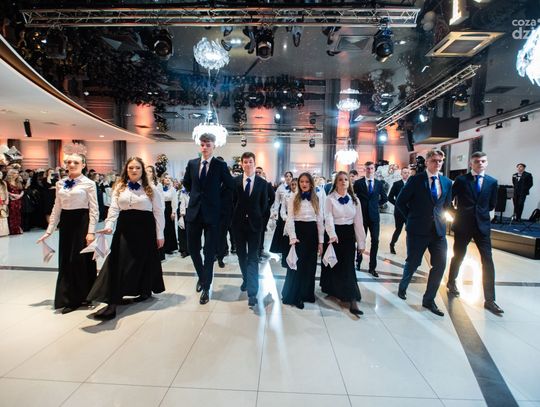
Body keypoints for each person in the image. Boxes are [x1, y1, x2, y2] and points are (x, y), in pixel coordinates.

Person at [87, 157, 165, 320]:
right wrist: (109, 225)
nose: (134, 170)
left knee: (143, 261)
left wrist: (160, 234)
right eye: (131, 168)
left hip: (145, 229)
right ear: (126, 170)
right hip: (124, 229)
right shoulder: (119, 187)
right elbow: (113, 209)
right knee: (117, 263)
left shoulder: (151, 188)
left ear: (142, 170)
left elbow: (158, 212)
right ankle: (112, 302)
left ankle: (144, 291)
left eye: (137, 168)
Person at [37, 152, 98, 314]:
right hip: (66, 223)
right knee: (67, 259)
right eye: (69, 162)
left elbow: (94, 209)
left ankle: (84, 296)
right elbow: (56, 208)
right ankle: (69, 297)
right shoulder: (60, 183)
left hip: (82, 222)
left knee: (80, 259)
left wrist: (91, 231)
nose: (71, 165)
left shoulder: (89, 183)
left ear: (83, 165)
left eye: (75, 162)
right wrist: (49, 230)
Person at [396, 149, 452, 317]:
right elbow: (400, 201)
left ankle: (429, 299)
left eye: (440, 161)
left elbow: (446, 205)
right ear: (427, 162)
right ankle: (403, 286)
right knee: (413, 262)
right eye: (434, 160)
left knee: (440, 264)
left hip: (438, 231)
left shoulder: (447, 182)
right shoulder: (415, 180)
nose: (437, 163)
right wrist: (411, 218)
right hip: (417, 230)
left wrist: (442, 220)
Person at [447, 152, 504, 315]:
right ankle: (451, 281)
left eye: (483, 161)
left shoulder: (492, 182)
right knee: (458, 255)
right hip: (463, 224)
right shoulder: (462, 180)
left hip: (482, 226)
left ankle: (490, 299)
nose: (480, 163)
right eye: (477, 161)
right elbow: (449, 198)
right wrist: (456, 214)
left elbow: (491, 204)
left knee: (487, 260)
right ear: (471, 163)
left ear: (487, 163)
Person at [183, 133, 234, 305]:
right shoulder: (192, 163)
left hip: (212, 214)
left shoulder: (220, 165)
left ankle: (206, 287)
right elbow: (187, 183)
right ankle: (202, 276)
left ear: (214, 146)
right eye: (202, 144)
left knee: (209, 251)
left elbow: (230, 186)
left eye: (208, 144)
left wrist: (218, 199)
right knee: (192, 248)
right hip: (194, 212)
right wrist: (196, 196)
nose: (204, 147)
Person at [320, 171, 366, 316]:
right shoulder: (330, 199)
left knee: (348, 266)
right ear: (336, 183)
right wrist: (332, 234)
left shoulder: (355, 200)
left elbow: (359, 222)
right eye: (340, 179)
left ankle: (352, 299)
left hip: (348, 234)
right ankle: (333, 289)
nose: (343, 181)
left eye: (346, 179)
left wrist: (361, 243)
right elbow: (328, 217)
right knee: (333, 264)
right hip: (334, 233)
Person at [282, 172, 324, 309]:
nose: (304, 184)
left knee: (310, 265)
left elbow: (320, 220)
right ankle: (295, 296)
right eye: (301, 182)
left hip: (312, 234)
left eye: (307, 182)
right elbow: (290, 218)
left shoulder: (316, 198)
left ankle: (307, 293)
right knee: (297, 265)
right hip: (298, 233)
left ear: (311, 183)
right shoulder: (293, 197)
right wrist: (293, 237)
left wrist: (321, 241)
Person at [232, 152, 269, 307]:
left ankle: (252, 292)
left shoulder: (262, 183)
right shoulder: (234, 182)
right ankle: (246, 279)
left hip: (255, 226)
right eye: (245, 162)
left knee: (253, 257)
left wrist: (260, 220)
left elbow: (265, 205)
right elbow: (231, 202)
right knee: (241, 256)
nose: (248, 164)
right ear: (242, 164)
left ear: (254, 163)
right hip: (238, 225)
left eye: (250, 162)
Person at [353, 161, 388, 277]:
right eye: (368, 168)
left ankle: (372, 267)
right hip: (361, 216)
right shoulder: (358, 183)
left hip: (374, 217)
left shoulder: (378, 184)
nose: (370, 170)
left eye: (371, 168)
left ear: (374, 170)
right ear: (365, 169)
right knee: (360, 239)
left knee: (375, 241)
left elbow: (385, 198)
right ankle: (358, 262)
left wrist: (376, 205)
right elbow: (353, 197)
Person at [270, 171, 293, 256]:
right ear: (284, 178)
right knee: (281, 230)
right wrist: (275, 211)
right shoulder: (280, 188)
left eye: (290, 176)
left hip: (292, 211)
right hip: (282, 210)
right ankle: (281, 248)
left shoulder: (295, 186)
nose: (288, 178)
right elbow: (276, 201)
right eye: (287, 176)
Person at [388, 167, 411, 254]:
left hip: (409, 211)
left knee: (410, 230)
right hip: (399, 212)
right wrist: (397, 204)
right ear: (401, 174)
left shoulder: (412, 184)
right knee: (398, 229)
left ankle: (410, 249)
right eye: (405, 172)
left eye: (408, 173)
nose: (406, 174)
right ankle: (392, 244)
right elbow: (390, 197)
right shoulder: (396, 184)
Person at [216, 157, 234, 268]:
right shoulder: (212, 180)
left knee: (222, 235)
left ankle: (220, 256)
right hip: (213, 213)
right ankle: (216, 254)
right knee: (215, 236)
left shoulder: (229, 181)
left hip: (226, 213)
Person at [255, 166, 275, 259]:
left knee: (261, 232)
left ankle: (260, 250)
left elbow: (272, 197)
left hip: (264, 213)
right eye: (256, 172)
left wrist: (266, 206)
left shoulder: (267, 184)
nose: (258, 174)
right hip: (253, 212)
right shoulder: (251, 183)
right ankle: (253, 251)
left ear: (263, 173)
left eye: (259, 172)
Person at [161, 174, 179, 255]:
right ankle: (163, 247)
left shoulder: (172, 189)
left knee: (169, 228)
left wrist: (173, 212)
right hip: (161, 209)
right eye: (166, 178)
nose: (167, 179)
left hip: (169, 209)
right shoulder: (160, 188)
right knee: (162, 228)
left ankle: (170, 247)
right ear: (163, 179)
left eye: (169, 178)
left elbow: (174, 201)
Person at [6, 169, 24, 235]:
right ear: (11, 174)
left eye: (17, 173)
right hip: (11, 200)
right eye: (15, 173)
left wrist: (20, 195)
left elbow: (22, 190)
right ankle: (12, 230)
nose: (17, 174)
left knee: (18, 214)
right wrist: (12, 195)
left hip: (18, 200)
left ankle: (17, 229)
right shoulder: (7, 182)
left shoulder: (18, 182)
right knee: (12, 214)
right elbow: (5, 191)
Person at [177, 185, 190, 258]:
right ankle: (184, 250)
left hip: (195, 211)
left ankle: (192, 248)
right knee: (183, 232)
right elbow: (182, 203)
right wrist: (182, 214)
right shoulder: (184, 192)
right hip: (186, 212)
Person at [0, 171, 9, 236]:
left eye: (1, 174)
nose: (0, 175)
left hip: (3, 201)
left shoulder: (4, 182)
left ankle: (4, 232)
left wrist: (7, 199)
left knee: (3, 216)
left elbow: (6, 191)